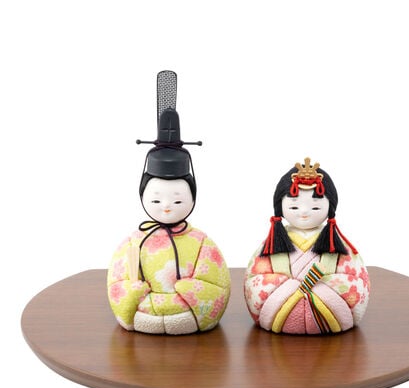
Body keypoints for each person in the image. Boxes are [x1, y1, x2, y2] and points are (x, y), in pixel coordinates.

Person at [107, 71, 230, 334]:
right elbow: (117, 283)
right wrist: (133, 292)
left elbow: (217, 285)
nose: (166, 206)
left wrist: (189, 289)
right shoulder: (133, 243)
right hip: (143, 313)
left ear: (192, 196)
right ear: (142, 195)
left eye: (177, 199)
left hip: (187, 315)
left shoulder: (202, 243)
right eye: (155, 198)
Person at [244, 158, 369, 334]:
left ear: (330, 208)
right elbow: (256, 279)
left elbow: (354, 278)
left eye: (315, 208)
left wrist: (321, 291)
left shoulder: (337, 243)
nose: (303, 211)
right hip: (280, 310)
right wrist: (289, 288)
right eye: (294, 207)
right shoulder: (272, 242)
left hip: (328, 312)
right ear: (280, 207)